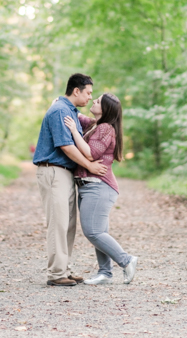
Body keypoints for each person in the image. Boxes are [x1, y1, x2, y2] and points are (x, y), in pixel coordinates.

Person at [33, 73, 108, 287]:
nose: (89, 98)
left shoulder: (70, 111)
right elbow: (66, 146)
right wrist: (90, 165)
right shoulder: (60, 111)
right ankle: (56, 273)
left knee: (68, 224)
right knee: (58, 223)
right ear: (76, 90)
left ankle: (63, 268)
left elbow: (97, 126)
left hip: (65, 173)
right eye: (88, 93)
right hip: (53, 170)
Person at [63, 92, 138, 285]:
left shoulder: (105, 128)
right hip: (90, 186)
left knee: (93, 232)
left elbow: (90, 154)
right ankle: (105, 272)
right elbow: (80, 117)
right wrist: (63, 102)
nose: (93, 101)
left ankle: (126, 260)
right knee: (100, 231)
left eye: (97, 101)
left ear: (105, 109)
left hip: (99, 187)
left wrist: (73, 131)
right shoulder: (96, 125)